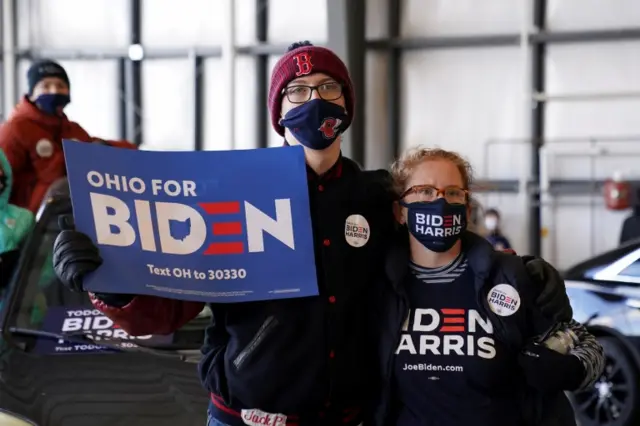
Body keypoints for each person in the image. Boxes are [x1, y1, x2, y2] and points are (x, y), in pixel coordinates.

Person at [51, 42, 572, 426]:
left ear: (345, 103)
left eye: (327, 87)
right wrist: (111, 284)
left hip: (349, 418)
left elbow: (434, 250)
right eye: (297, 90)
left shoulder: (375, 197)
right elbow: (167, 309)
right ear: (278, 111)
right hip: (245, 418)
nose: (313, 98)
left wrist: (518, 272)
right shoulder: (228, 191)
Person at [372, 147, 605, 426]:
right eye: (425, 191)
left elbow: (587, 345)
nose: (440, 201)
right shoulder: (379, 287)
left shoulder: (509, 278)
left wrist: (572, 370)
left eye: (453, 193)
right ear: (399, 211)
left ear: (467, 209)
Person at [0, 59, 135, 214]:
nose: (54, 91)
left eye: (60, 86)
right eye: (46, 86)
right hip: (28, 224)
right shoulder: (15, 130)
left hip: (71, 215)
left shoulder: (71, 130)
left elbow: (102, 146)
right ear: (31, 93)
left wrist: (109, 148)